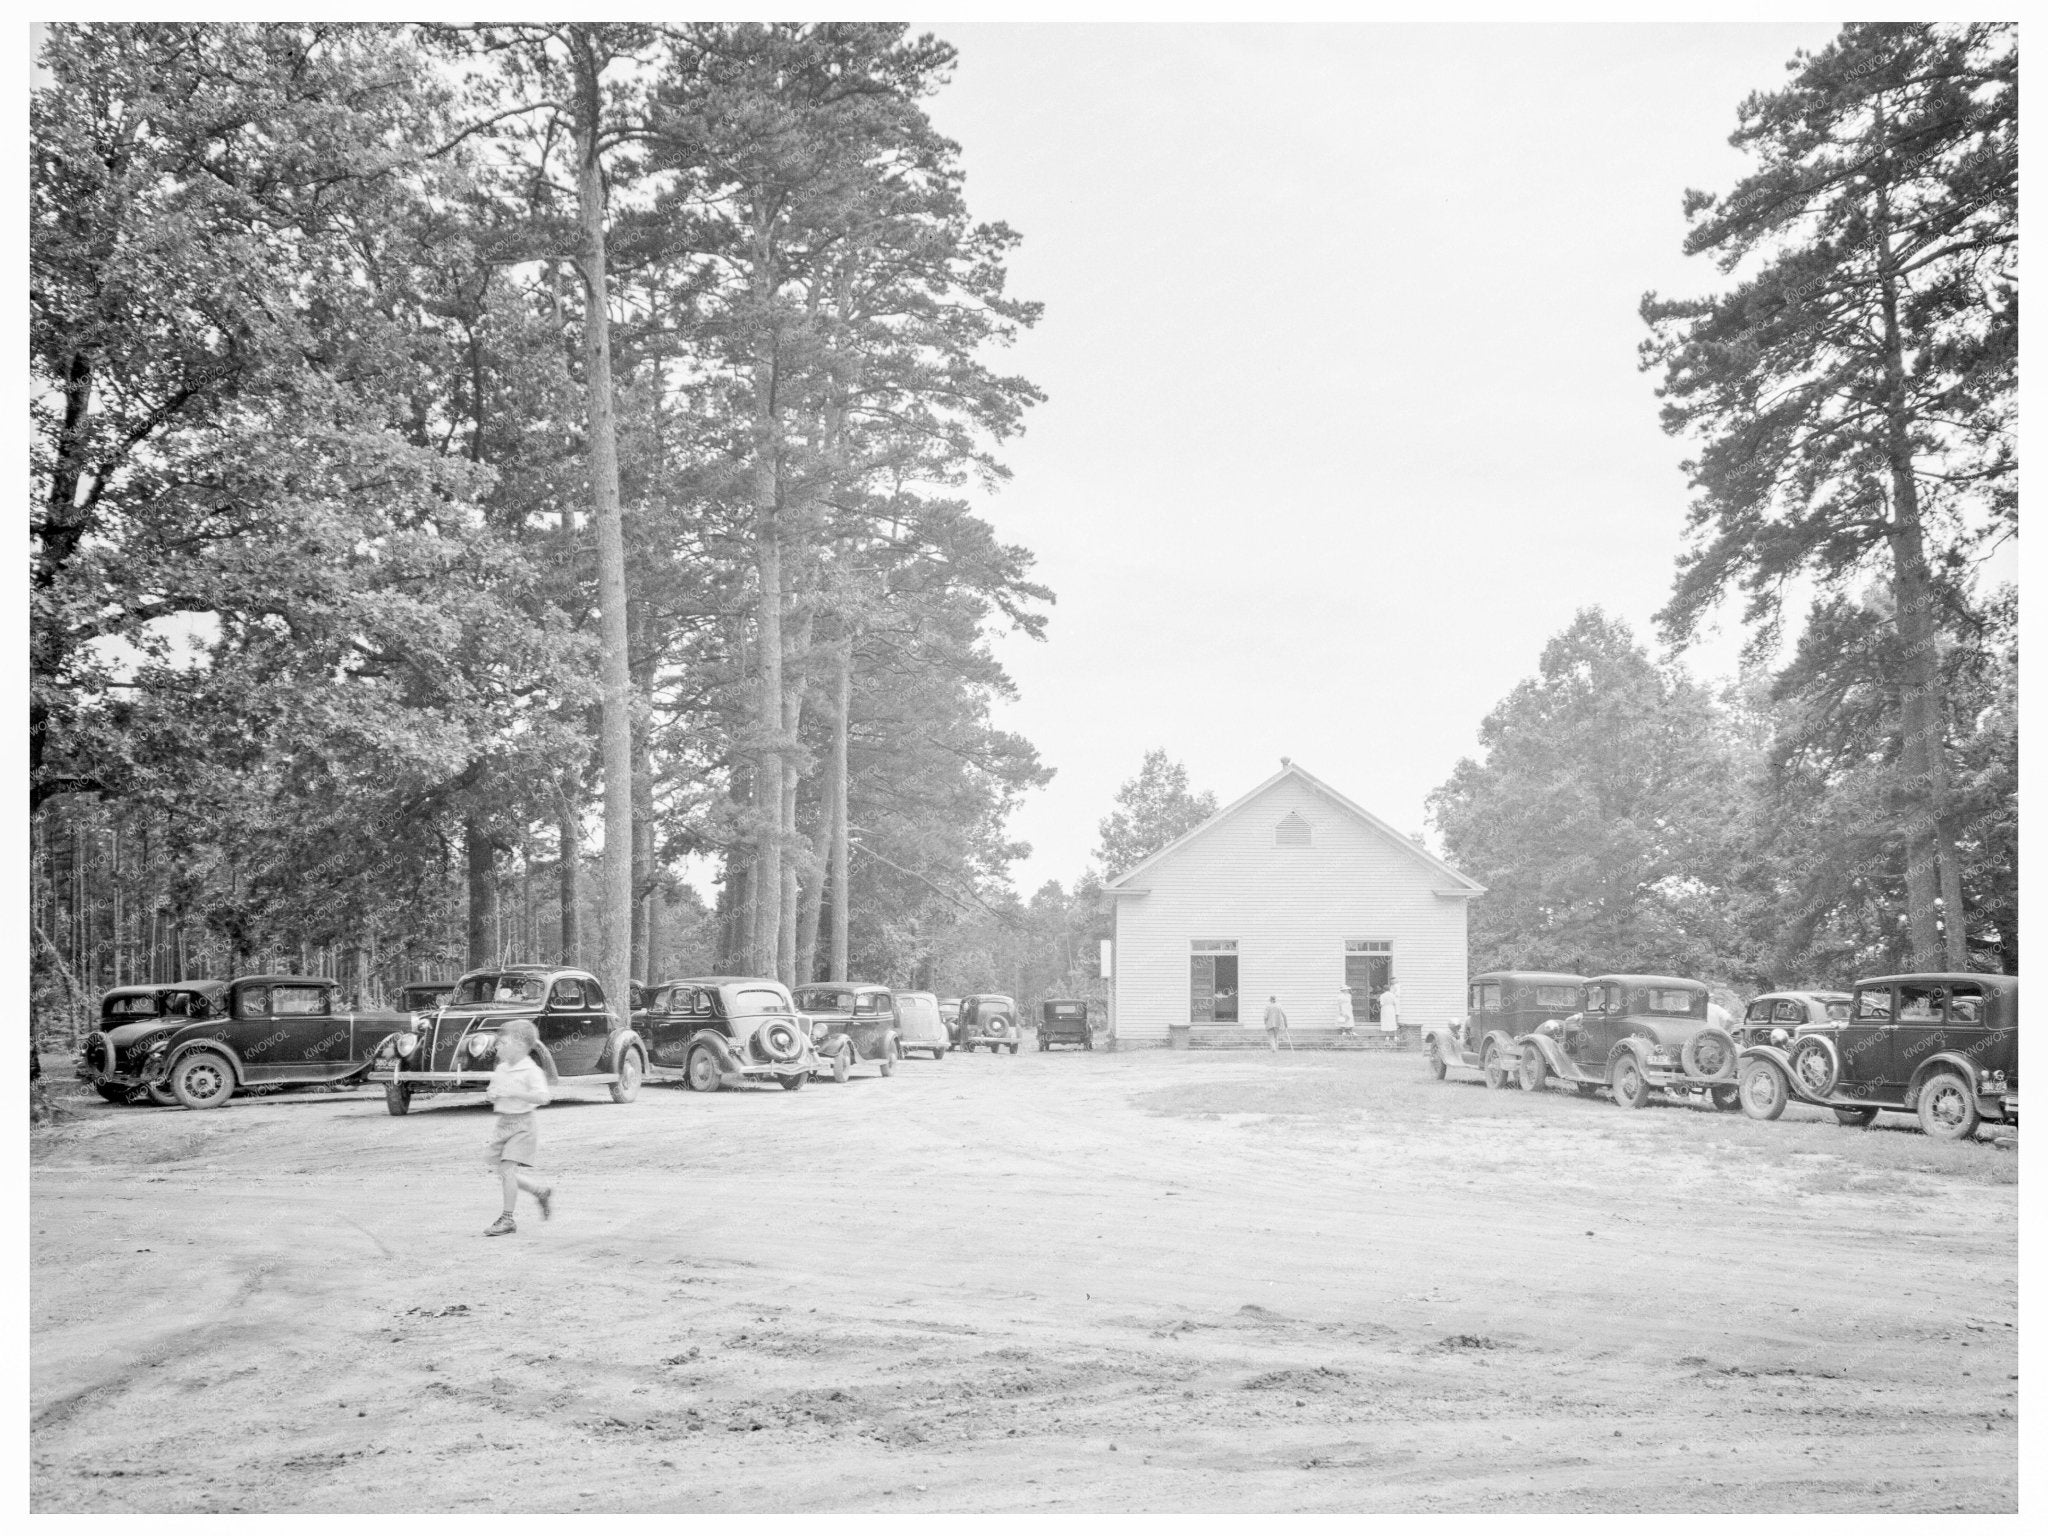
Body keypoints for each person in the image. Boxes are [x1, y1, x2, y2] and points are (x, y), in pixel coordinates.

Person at [483, 1019, 554, 1237]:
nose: (497, 1047)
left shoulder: (530, 1070)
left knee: (507, 1171)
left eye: (503, 1043)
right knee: (504, 1172)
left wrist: (516, 1093)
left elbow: (543, 1097)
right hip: (503, 1123)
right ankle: (539, 1191)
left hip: (523, 1124)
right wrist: (492, 1094)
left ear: (521, 1047)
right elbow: (493, 1090)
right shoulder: (502, 1068)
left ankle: (507, 1218)